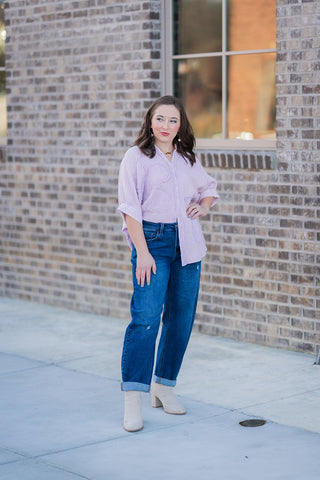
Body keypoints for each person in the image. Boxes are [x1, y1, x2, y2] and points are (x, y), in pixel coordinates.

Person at [118, 95, 219, 432]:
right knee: (145, 318)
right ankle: (133, 398)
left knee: (180, 319)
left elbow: (209, 188)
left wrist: (202, 207)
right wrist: (142, 251)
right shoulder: (136, 157)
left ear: (180, 126)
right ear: (150, 122)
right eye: (160, 119)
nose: (166, 126)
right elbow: (130, 208)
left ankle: (164, 386)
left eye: (173, 121)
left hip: (187, 244)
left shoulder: (187, 158)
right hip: (152, 243)